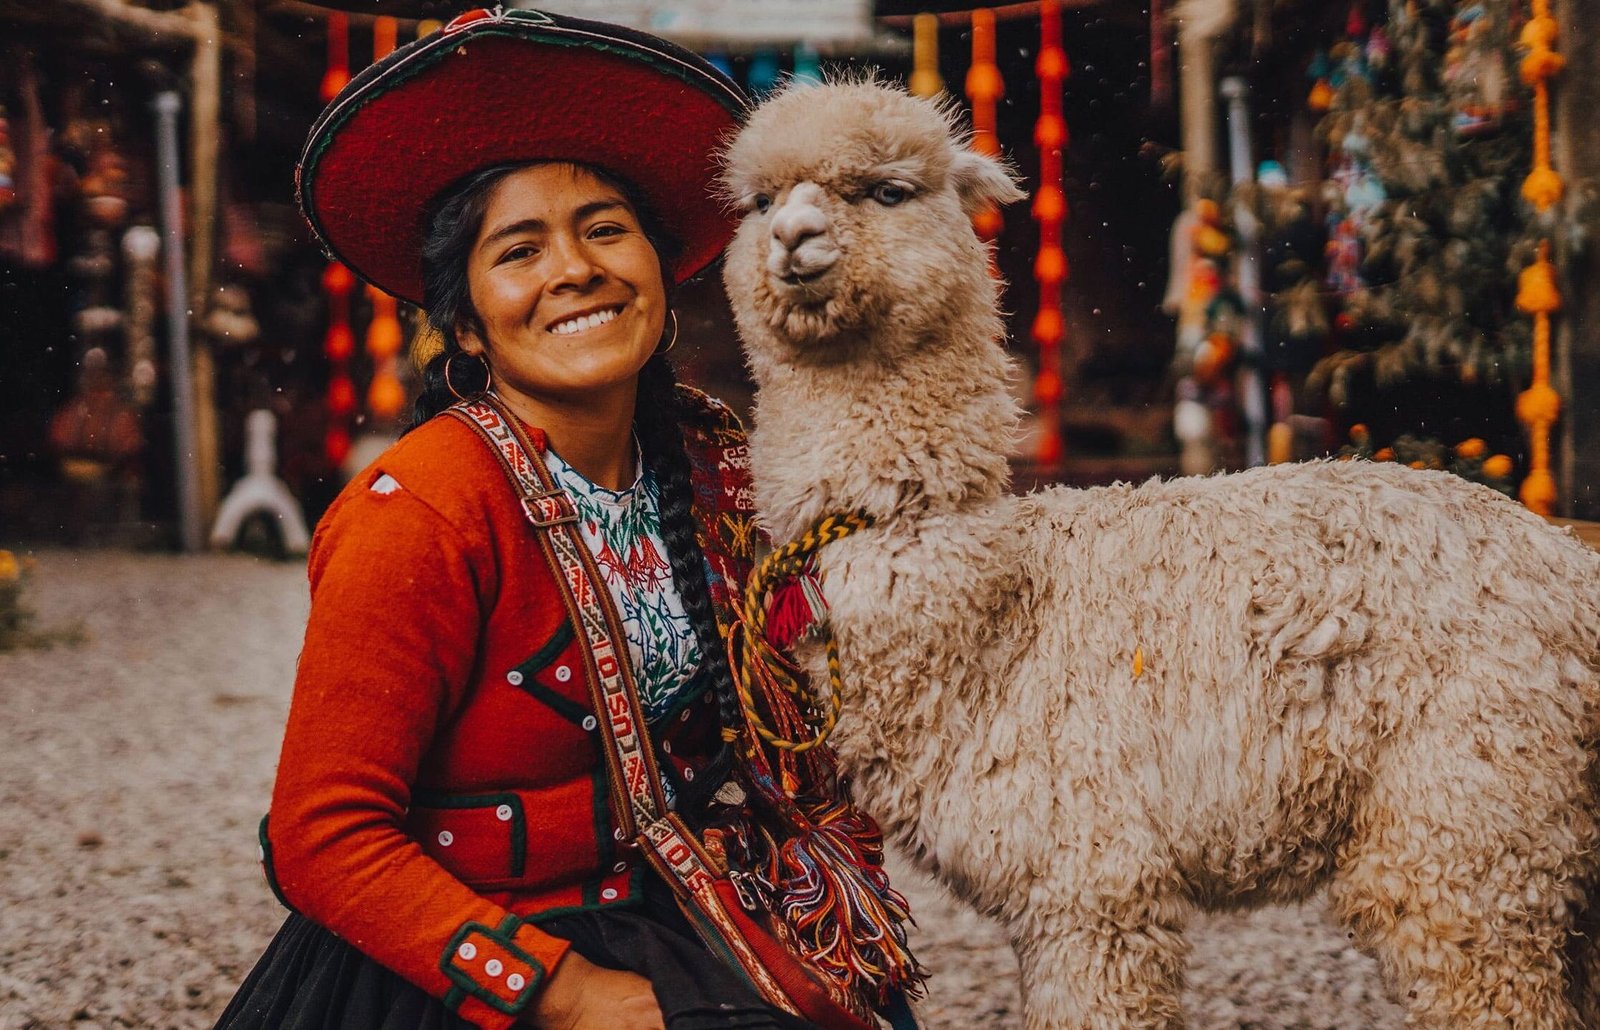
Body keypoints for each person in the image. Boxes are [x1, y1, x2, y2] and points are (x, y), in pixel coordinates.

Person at [216, 10, 850, 1030]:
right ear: (466, 321)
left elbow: (801, 703)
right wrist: (567, 995)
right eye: (519, 250)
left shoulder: (716, 462)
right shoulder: (418, 511)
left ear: (659, 264)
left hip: (671, 904)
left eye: (604, 228)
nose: (574, 270)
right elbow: (321, 835)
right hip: (464, 955)